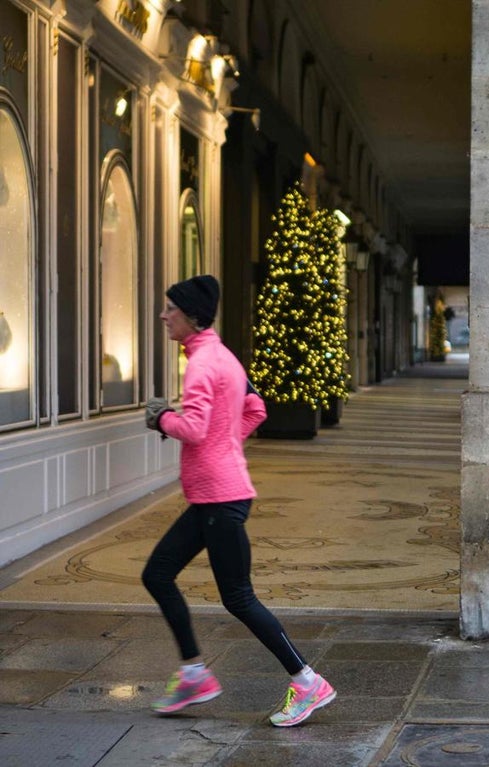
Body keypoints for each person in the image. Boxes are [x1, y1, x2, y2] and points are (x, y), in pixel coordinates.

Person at [141, 274, 336, 727]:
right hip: (218, 493)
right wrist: (226, 445)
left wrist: (161, 418)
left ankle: (308, 681)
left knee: (239, 598)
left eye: (170, 309)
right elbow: (256, 408)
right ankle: (193, 673)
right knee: (158, 573)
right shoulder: (221, 356)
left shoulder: (203, 364)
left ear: (190, 316)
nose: (163, 315)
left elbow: (192, 427)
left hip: (219, 498)